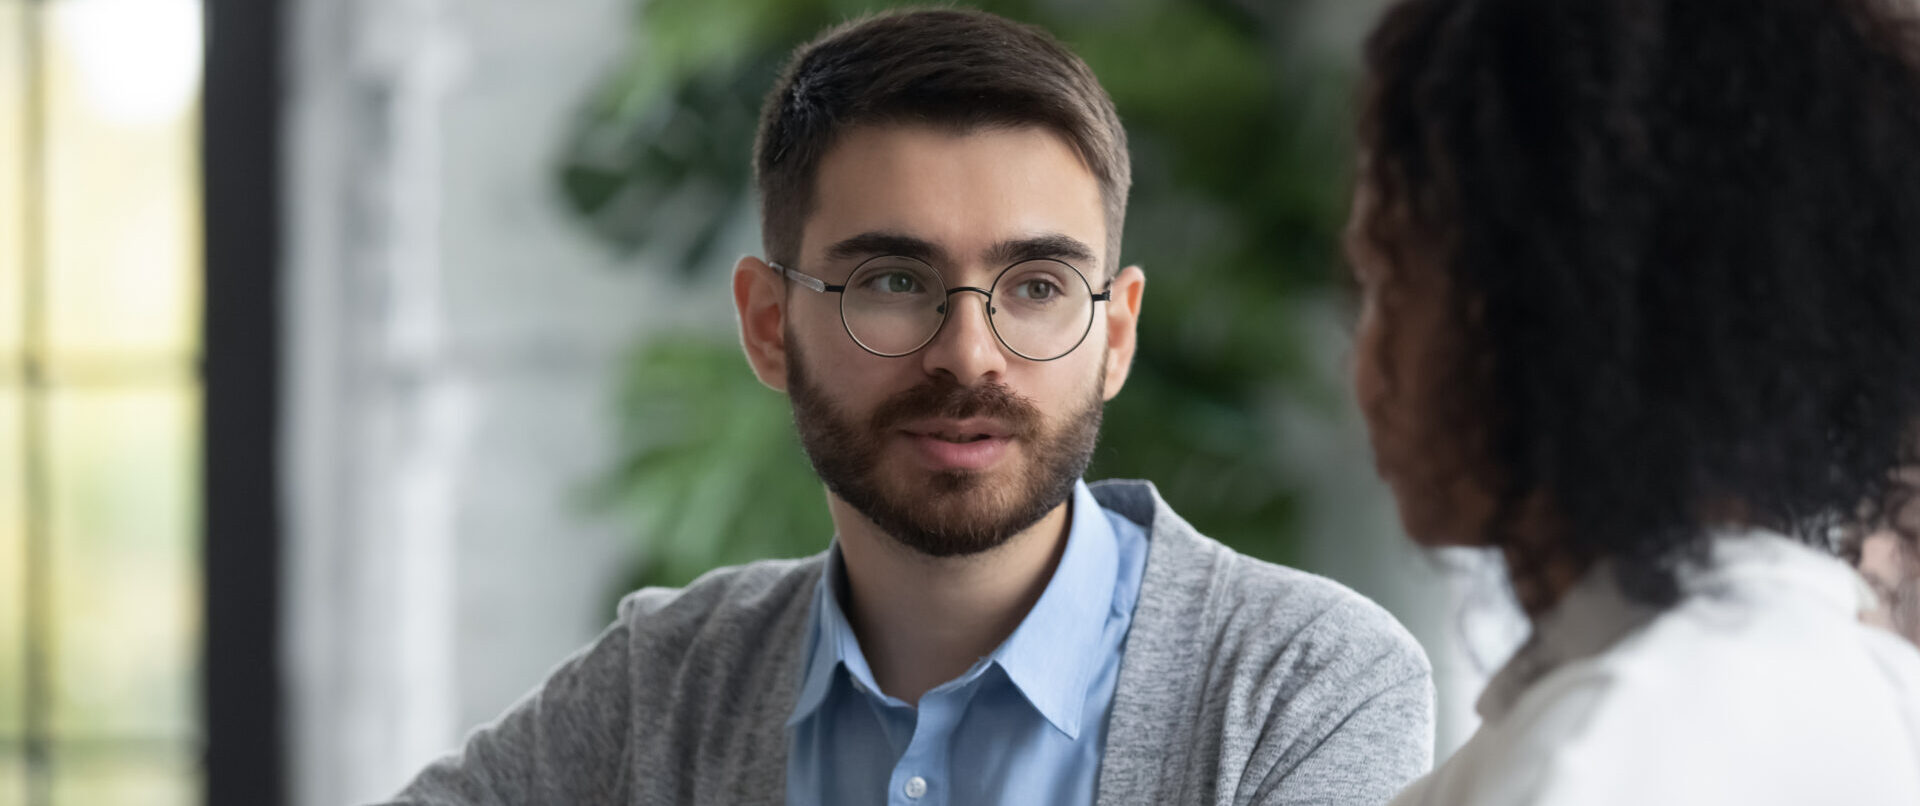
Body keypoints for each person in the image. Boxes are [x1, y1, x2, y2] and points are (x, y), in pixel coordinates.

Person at [385, 8, 1433, 805]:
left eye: (1036, 287)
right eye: (892, 281)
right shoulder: (669, 680)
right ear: (765, 323)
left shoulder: (1303, 685)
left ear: (1115, 333)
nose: (969, 354)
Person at [1344, 0, 1920, 803]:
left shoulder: (1595, 756)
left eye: (1389, 280)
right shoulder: (1877, 693)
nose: (1364, 357)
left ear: (1548, 311)